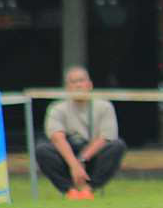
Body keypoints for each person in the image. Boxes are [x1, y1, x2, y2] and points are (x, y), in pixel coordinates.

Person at [35, 66, 127, 200]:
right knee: (42, 150)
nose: (78, 85)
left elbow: (106, 137)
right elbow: (57, 138)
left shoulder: (104, 106)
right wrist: (74, 164)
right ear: (67, 87)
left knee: (117, 146)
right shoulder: (56, 108)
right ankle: (70, 191)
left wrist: (83, 159)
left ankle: (88, 190)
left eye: (81, 81)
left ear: (89, 85)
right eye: (73, 82)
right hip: (68, 155)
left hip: (93, 154)